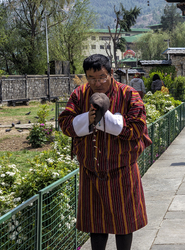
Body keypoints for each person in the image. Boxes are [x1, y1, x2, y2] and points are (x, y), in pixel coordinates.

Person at [58, 54, 151, 250]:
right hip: (90, 171)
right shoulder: (79, 94)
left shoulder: (129, 94)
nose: (97, 83)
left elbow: (137, 129)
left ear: (110, 73)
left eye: (101, 77)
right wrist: (88, 119)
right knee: (96, 224)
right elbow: (65, 124)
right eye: (91, 78)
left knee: (124, 224)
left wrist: (103, 120)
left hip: (122, 170)